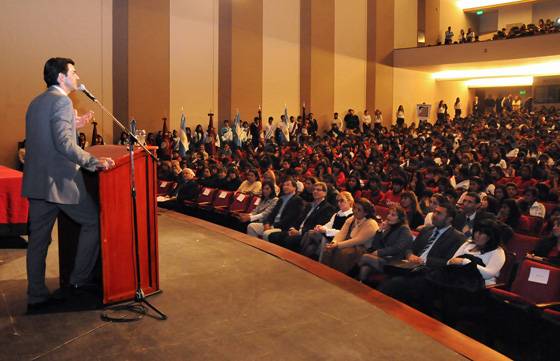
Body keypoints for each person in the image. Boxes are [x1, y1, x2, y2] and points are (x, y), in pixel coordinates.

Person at [22, 57, 115, 312]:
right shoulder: (62, 101)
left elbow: (45, 136)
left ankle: (36, 295)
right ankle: (78, 280)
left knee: (38, 241)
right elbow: (63, 144)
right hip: (61, 182)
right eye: (73, 72)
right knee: (93, 222)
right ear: (61, 77)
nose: (77, 76)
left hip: (37, 183)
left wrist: (73, 124)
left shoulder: (37, 102)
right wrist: (92, 162)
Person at [321, 198, 379, 274]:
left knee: (344, 253)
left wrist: (338, 245)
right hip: (349, 244)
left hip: (362, 249)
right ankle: (323, 272)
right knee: (328, 248)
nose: (355, 211)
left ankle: (337, 276)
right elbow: (342, 233)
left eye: (359, 210)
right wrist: (334, 242)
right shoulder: (352, 218)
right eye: (354, 208)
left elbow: (357, 240)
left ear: (366, 213)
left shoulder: (371, 224)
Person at [358, 205, 413, 282]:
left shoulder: (404, 230)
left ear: (400, 218)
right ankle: (359, 286)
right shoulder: (389, 227)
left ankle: (348, 277)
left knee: (365, 257)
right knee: (365, 268)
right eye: (389, 214)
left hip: (394, 262)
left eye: (393, 215)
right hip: (383, 258)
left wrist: (379, 252)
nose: (389, 216)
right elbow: (375, 246)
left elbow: (397, 248)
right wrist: (380, 231)